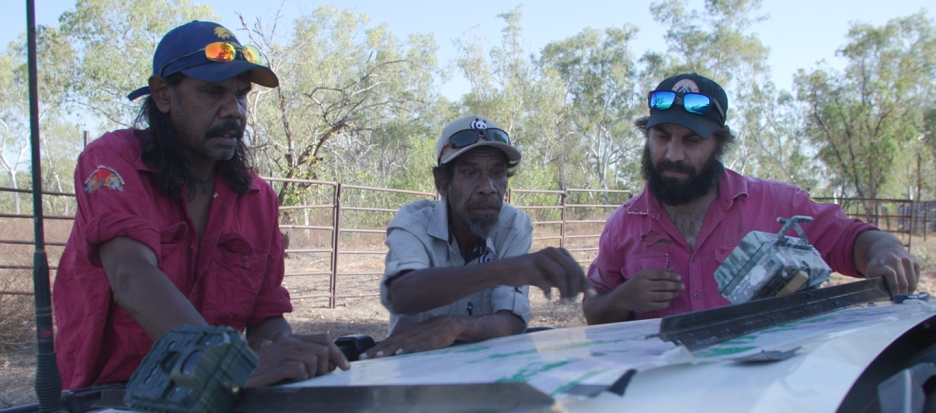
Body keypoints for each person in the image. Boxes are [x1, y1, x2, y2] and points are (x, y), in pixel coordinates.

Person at [53, 21, 349, 390]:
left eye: (241, 95)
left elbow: (265, 315)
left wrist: (285, 353)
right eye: (212, 93)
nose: (234, 112)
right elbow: (130, 276)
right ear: (163, 95)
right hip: (110, 404)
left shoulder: (258, 199)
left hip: (216, 398)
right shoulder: (112, 162)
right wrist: (226, 365)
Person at [582, 73, 919, 325]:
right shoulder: (623, 224)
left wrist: (883, 250)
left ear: (719, 145)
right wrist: (623, 298)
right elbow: (593, 311)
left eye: (691, 141)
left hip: (764, 391)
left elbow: (849, 239)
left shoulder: (779, 204)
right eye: (662, 137)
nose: (673, 154)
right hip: (663, 396)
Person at [362, 115, 595, 359]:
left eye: (497, 172)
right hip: (416, 368)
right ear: (442, 182)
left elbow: (512, 321)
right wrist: (502, 270)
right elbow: (402, 295)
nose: (488, 187)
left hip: (489, 367)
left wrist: (457, 326)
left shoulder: (514, 226)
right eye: (471, 172)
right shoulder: (413, 221)